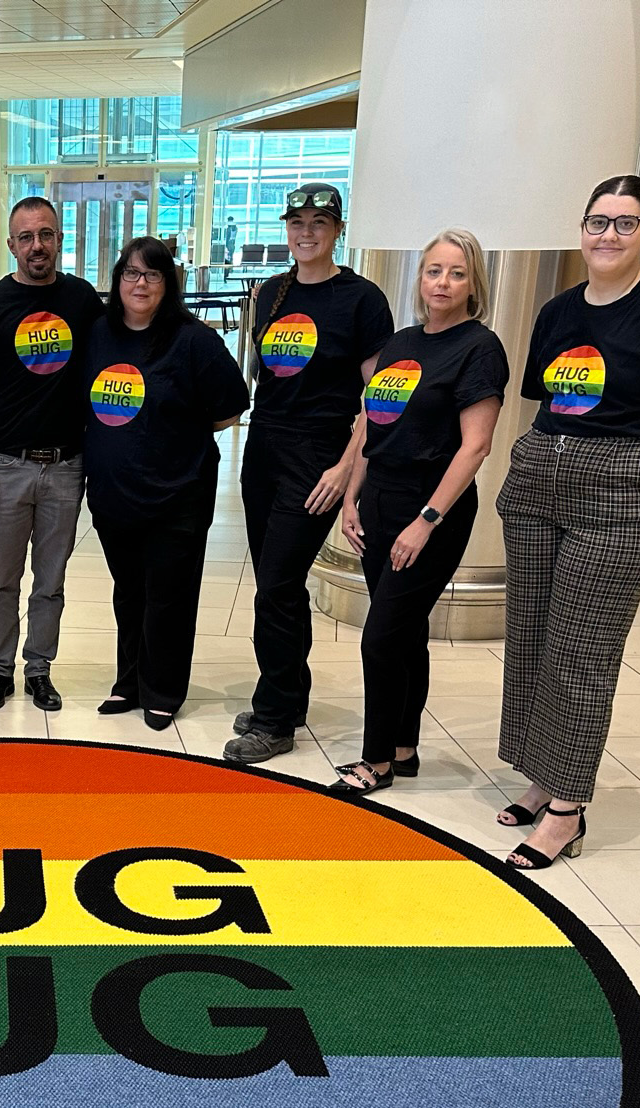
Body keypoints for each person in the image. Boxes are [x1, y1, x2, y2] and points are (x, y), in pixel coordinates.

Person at [498, 174, 640, 868]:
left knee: (582, 651)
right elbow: (545, 398)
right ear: (582, 229)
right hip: (543, 476)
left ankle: (567, 810)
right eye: (598, 222)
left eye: (625, 224)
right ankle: (543, 777)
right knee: (534, 634)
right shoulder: (561, 310)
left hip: (623, 491)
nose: (608, 236)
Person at [333, 229, 509, 795]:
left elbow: (475, 446)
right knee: (405, 634)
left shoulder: (479, 348)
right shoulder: (403, 341)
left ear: (473, 283)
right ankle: (403, 747)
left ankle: (376, 760)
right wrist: (351, 497)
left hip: (431, 510)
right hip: (379, 498)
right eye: (434, 270)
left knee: (380, 636)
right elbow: (371, 424)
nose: (443, 282)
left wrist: (425, 521)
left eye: (457, 273)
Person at [224, 182, 393, 764]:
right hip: (264, 452)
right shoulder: (272, 292)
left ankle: (273, 721)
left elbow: (382, 397)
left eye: (319, 222)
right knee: (281, 586)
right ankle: (288, 697)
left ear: (338, 230)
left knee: (274, 586)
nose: (306, 231)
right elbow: (263, 378)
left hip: (318, 459)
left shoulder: (361, 300)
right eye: (296, 221)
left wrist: (348, 468)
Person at [82, 236, 249, 730]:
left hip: (178, 495)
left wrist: (175, 435)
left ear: (168, 283)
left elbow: (230, 406)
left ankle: (163, 690)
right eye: (131, 273)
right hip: (114, 496)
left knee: (169, 597)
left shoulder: (193, 340)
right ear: (117, 280)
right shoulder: (99, 335)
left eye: (152, 274)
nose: (140, 283)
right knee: (129, 592)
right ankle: (128, 682)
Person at [0, 194, 105, 711]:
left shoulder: (83, 301)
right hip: (5, 464)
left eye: (46, 234)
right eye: (26, 237)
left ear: (60, 239)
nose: (37, 245)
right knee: (2, 579)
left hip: (66, 466)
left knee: (51, 580)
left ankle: (39, 669)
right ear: (10, 245)